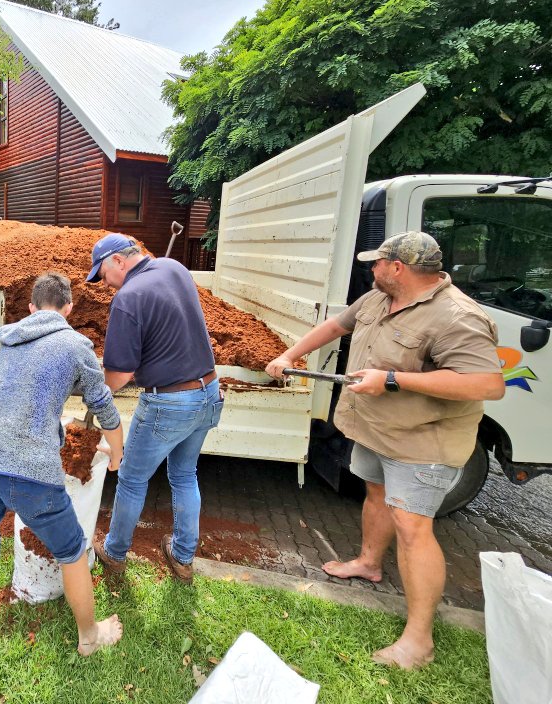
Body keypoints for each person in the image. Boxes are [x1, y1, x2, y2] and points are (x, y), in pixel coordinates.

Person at [265, 231, 505, 669]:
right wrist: (290, 355)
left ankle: (419, 641)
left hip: (422, 440)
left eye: (376, 262)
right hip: (375, 429)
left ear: (397, 267)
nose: (370, 268)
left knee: (413, 527)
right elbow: (335, 327)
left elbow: (486, 384)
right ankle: (369, 563)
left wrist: (392, 380)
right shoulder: (377, 299)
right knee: (375, 494)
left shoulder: (456, 316)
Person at [0, 272, 124, 655]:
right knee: (72, 552)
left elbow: (2, 397)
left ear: (32, 308)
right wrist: (116, 452)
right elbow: (103, 405)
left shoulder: (7, 343)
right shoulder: (76, 344)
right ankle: (89, 637)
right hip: (33, 471)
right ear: (69, 308)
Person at [87, 233, 225, 585]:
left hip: (169, 402)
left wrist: (96, 394)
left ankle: (114, 552)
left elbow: (120, 374)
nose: (105, 284)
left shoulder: (127, 299)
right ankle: (183, 556)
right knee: (184, 474)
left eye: (103, 274)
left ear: (119, 261)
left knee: (132, 479)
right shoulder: (174, 268)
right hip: (209, 392)